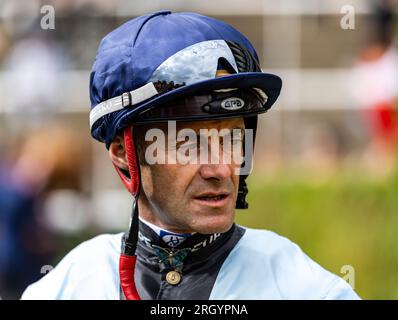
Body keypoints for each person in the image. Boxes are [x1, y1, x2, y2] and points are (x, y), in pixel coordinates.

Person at [21, 10, 359, 300]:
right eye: (189, 144)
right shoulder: (64, 288)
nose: (221, 168)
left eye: (231, 138)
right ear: (123, 153)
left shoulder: (309, 288)